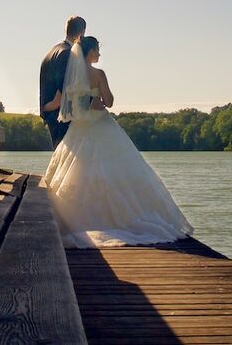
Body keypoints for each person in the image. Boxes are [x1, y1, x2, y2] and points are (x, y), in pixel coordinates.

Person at [42, 36, 193, 248]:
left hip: (79, 130)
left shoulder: (71, 76)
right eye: (97, 51)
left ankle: (77, 220)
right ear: (90, 51)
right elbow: (110, 101)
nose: (99, 55)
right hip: (100, 126)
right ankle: (115, 219)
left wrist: (45, 110)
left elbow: (60, 104)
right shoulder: (98, 74)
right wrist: (99, 100)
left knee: (78, 174)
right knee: (118, 171)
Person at [38, 15, 86, 148]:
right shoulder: (67, 53)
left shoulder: (52, 51)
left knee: (60, 158)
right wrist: (53, 105)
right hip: (61, 115)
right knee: (66, 159)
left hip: (51, 113)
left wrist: (45, 107)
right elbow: (64, 86)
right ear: (82, 33)